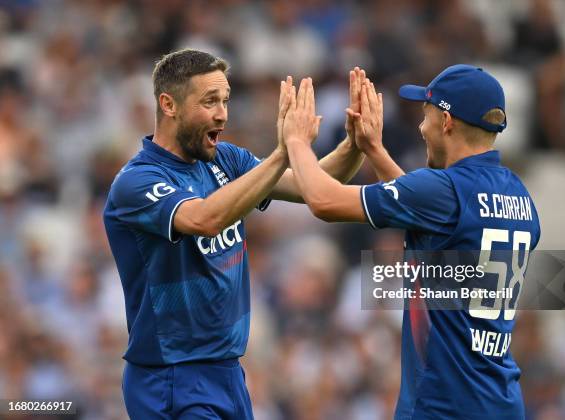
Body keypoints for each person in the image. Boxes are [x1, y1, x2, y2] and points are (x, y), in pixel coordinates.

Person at [103, 49, 367, 419]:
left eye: (225, 100)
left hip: (227, 372)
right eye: (209, 101)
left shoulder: (226, 160)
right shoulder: (137, 181)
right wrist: (284, 152)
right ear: (169, 104)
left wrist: (355, 143)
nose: (222, 114)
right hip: (171, 378)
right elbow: (204, 219)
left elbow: (315, 185)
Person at [283, 65, 541, 419]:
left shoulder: (444, 189)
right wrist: (374, 150)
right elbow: (430, 213)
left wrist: (295, 141)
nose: (422, 128)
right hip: (500, 400)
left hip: (444, 404)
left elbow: (323, 201)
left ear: (447, 122)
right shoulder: (518, 195)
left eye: (426, 115)